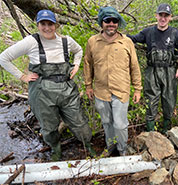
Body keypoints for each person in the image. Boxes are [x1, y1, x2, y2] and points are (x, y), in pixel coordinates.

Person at [0, 10, 95, 161]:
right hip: (42, 92)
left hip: (67, 90)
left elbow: (79, 50)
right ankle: (55, 148)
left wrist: (76, 65)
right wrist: (22, 76)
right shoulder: (31, 42)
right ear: (38, 25)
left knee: (80, 122)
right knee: (49, 127)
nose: (47, 28)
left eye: (50, 24)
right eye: (43, 24)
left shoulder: (66, 41)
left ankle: (87, 145)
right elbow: (3, 58)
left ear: (55, 25)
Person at [83, 6, 142, 156]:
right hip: (100, 91)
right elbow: (87, 64)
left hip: (121, 90)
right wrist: (88, 86)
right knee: (107, 122)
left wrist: (137, 89)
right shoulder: (92, 42)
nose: (111, 24)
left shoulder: (127, 42)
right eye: (107, 20)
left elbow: (134, 66)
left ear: (118, 23)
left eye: (114, 21)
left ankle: (122, 151)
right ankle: (111, 147)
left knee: (120, 124)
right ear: (101, 23)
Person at [127, 3, 178, 133]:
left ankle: (166, 130)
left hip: (169, 71)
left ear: (170, 17)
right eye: (161, 15)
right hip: (152, 71)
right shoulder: (148, 32)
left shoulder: (175, 33)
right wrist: (118, 36)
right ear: (156, 16)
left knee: (169, 100)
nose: (163, 18)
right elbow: (132, 39)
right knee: (150, 101)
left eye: (166, 15)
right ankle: (150, 131)